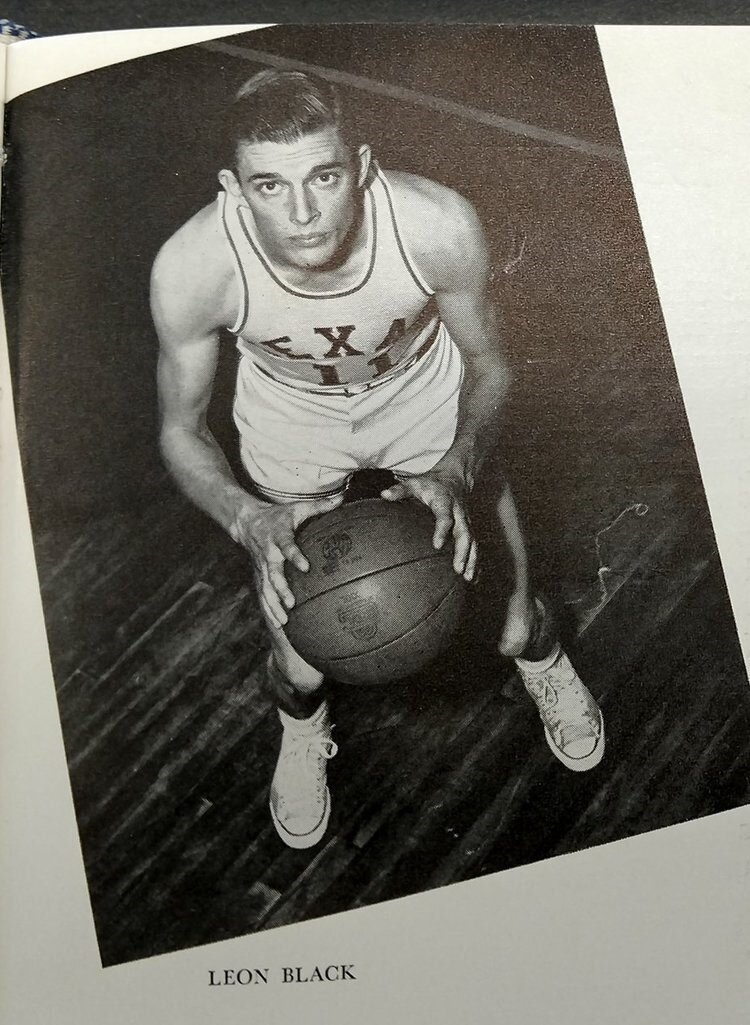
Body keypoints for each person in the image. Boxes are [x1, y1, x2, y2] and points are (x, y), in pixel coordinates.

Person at [151, 70, 604, 851]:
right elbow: (180, 431)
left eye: (323, 177)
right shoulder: (193, 268)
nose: (300, 213)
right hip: (292, 422)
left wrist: (460, 468)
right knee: (299, 667)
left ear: (359, 166)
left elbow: (493, 367)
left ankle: (544, 657)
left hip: (423, 399)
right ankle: (302, 729)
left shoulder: (436, 224)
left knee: (512, 624)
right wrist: (247, 515)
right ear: (234, 187)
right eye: (269, 185)